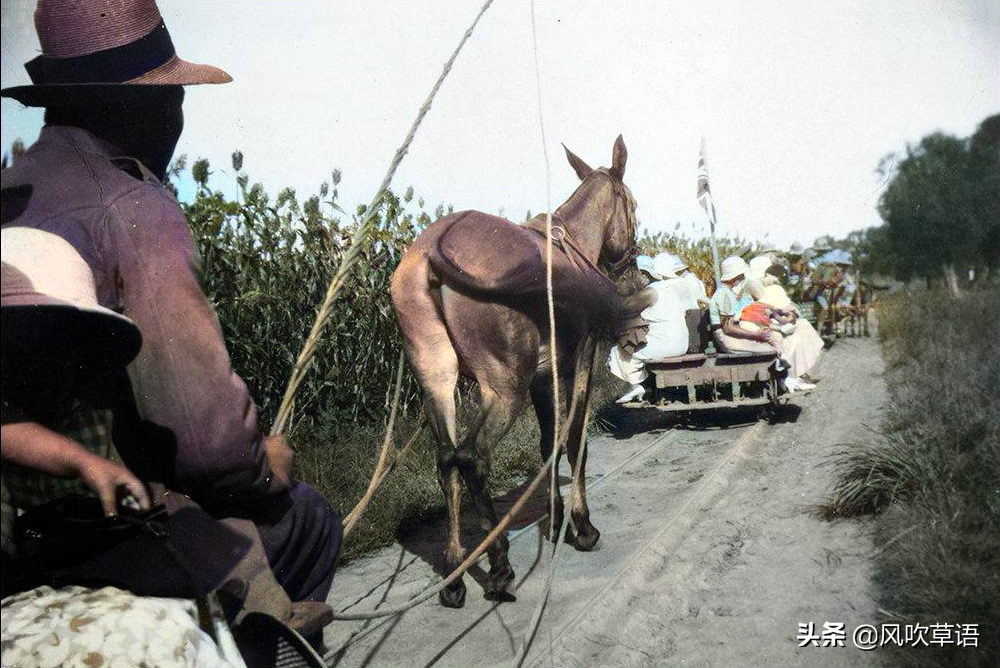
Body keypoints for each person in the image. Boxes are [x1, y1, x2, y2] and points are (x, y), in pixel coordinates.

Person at [1, 0, 340, 620]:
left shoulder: (13, 187)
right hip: (113, 526)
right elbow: (209, 446)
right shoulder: (132, 207)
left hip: (22, 527)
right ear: (154, 106)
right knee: (309, 519)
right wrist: (265, 471)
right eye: (174, 95)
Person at [609, 252, 691, 403]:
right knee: (636, 342)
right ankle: (643, 385)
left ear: (645, 274)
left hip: (666, 345)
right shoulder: (667, 288)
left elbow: (625, 309)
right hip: (681, 343)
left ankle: (635, 386)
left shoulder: (650, 292)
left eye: (636, 274)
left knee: (617, 351)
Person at [708, 256, 775, 354]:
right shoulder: (724, 295)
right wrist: (756, 335)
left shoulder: (726, 292)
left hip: (731, 335)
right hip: (728, 339)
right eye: (742, 274)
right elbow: (728, 328)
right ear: (736, 275)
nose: (743, 277)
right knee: (773, 350)